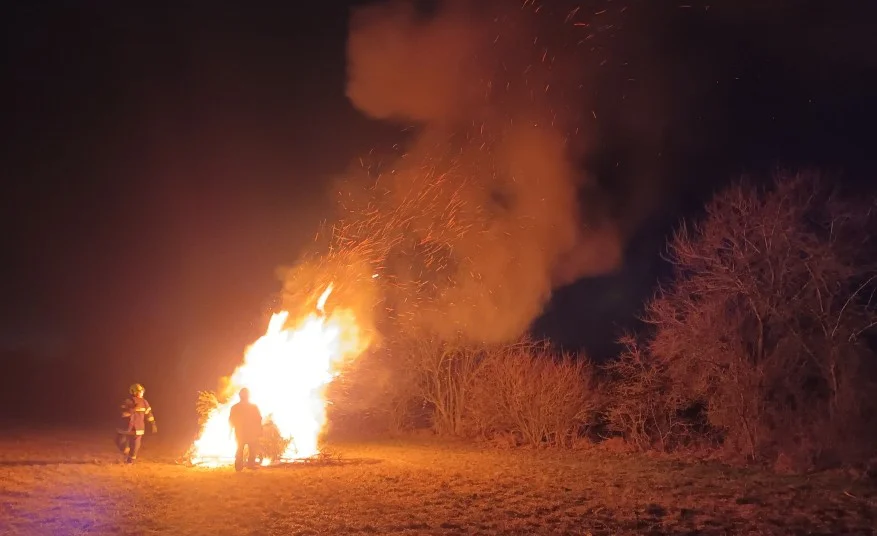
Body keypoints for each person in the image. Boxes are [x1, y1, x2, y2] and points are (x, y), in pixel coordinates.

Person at [115, 383, 157, 464]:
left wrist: (153, 423)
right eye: (140, 391)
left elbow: (149, 413)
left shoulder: (145, 402)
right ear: (134, 392)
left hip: (138, 428)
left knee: (135, 445)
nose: (141, 393)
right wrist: (132, 410)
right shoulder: (128, 401)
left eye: (142, 391)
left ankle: (130, 460)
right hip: (127, 427)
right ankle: (125, 450)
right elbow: (123, 414)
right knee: (119, 441)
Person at [228, 387, 262, 471]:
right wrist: (259, 430)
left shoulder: (235, 407)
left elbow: (231, 420)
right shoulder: (253, 407)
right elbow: (258, 419)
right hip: (250, 432)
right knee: (250, 449)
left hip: (241, 432)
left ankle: (239, 466)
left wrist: (231, 430)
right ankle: (249, 464)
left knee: (241, 448)